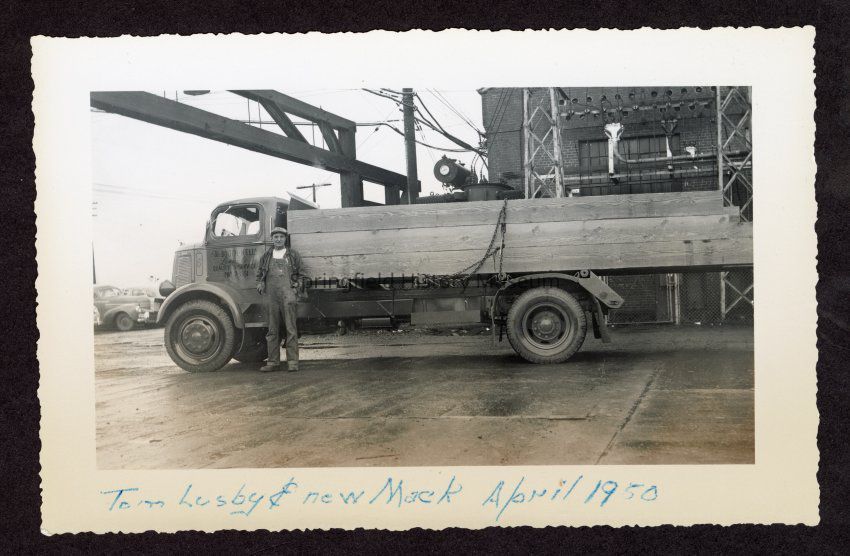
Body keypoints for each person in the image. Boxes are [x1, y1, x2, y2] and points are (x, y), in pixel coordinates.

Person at [256, 226, 303, 372]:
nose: (278, 239)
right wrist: (260, 283)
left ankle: (293, 362)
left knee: (291, 329)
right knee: (272, 329)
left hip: (288, 295)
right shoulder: (266, 256)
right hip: (271, 296)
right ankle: (273, 362)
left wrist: (296, 289)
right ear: (272, 239)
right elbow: (259, 274)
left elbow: (301, 274)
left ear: (285, 239)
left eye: (281, 237)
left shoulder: (293, 255)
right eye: (276, 237)